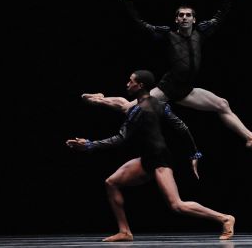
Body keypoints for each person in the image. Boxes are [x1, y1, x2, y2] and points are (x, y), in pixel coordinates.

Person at [83, 0, 252, 155]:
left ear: (194, 19)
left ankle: (251, 138)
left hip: (187, 90)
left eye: (189, 15)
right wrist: (128, 0)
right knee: (127, 109)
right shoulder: (168, 35)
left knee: (222, 104)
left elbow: (220, 17)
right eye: (181, 15)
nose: (185, 18)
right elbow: (142, 25)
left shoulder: (200, 33)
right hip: (168, 88)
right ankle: (100, 99)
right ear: (176, 20)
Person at [66, 70, 235, 242]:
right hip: (148, 157)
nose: (127, 84)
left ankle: (225, 218)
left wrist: (90, 145)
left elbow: (120, 138)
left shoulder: (138, 110)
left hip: (159, 160)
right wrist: (194, 153)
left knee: (177, 205)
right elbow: (182, 127)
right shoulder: (159, 104)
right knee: (111, 183)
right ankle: (124, 231)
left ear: (140, 86)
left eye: (130, 81)